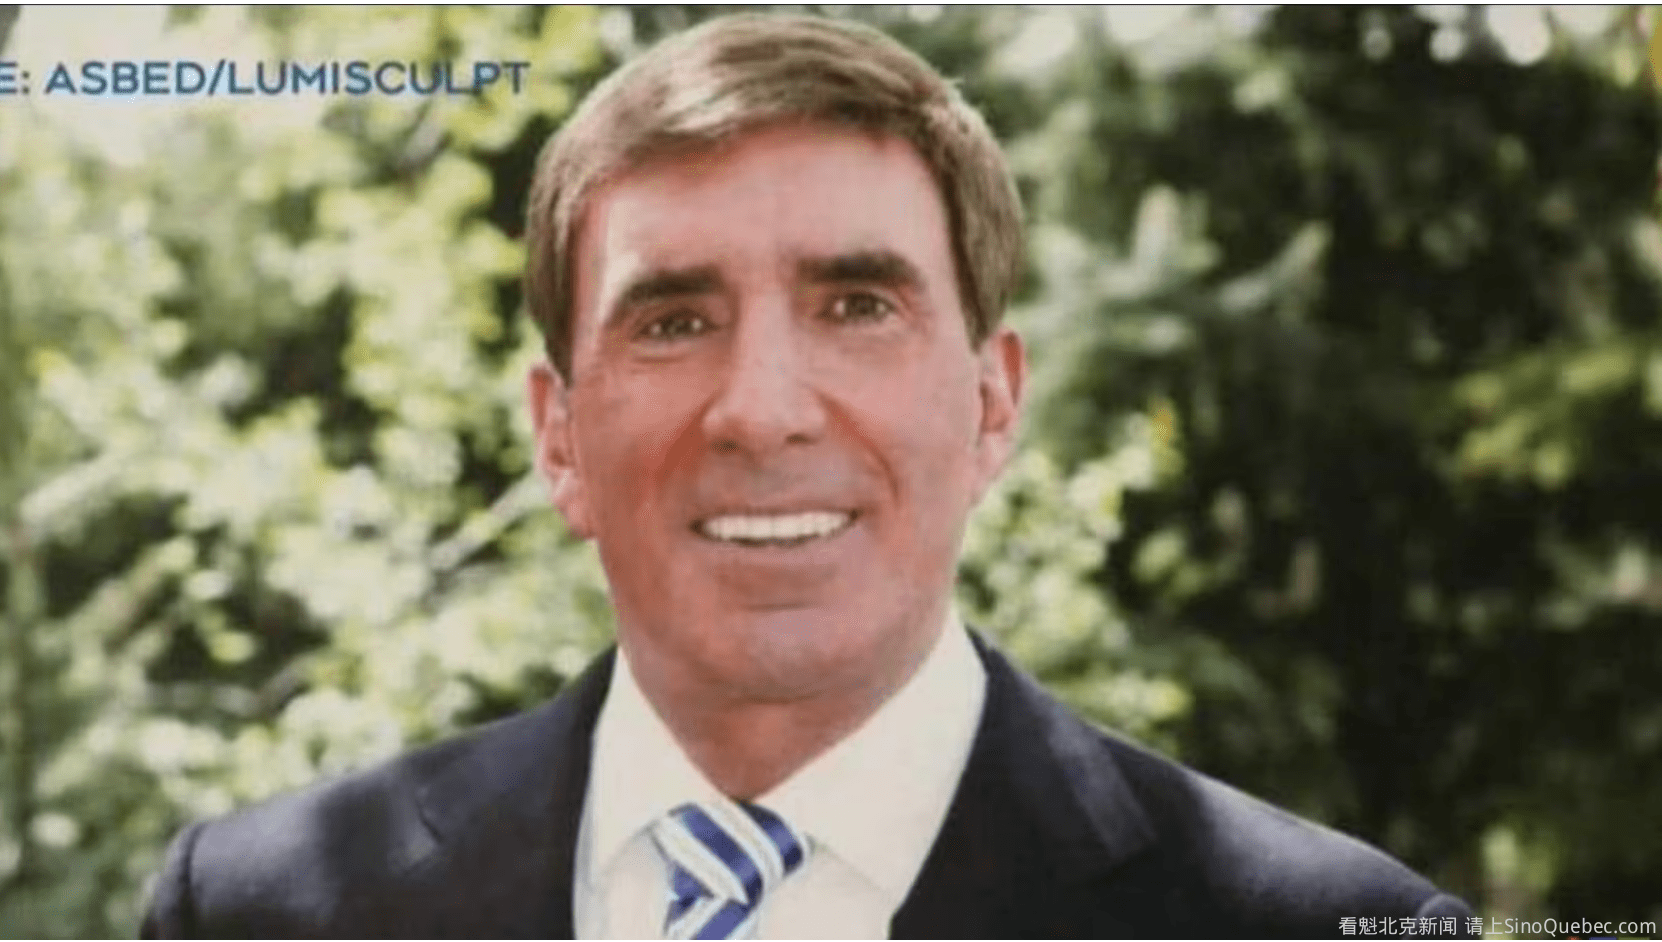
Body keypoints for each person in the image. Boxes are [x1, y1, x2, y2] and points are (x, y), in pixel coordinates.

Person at [142, 13, 1474, 939]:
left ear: (991, 405)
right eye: (672, 320)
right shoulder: (258, 913)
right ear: (559, 440)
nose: (763, 411)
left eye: (856, 306)